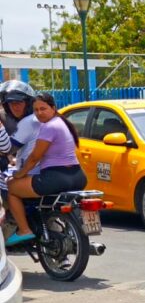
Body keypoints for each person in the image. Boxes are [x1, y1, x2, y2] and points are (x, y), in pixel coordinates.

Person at [5, 93, 87, 247]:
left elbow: (35, 157)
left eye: (43, 108)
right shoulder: (62, 123)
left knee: (11, 188)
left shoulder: (49, 127)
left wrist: (19, 174)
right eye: (36, 110)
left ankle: (24, 230)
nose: (39, 113)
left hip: (56, 178)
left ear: (53, 108)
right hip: (77, 176)